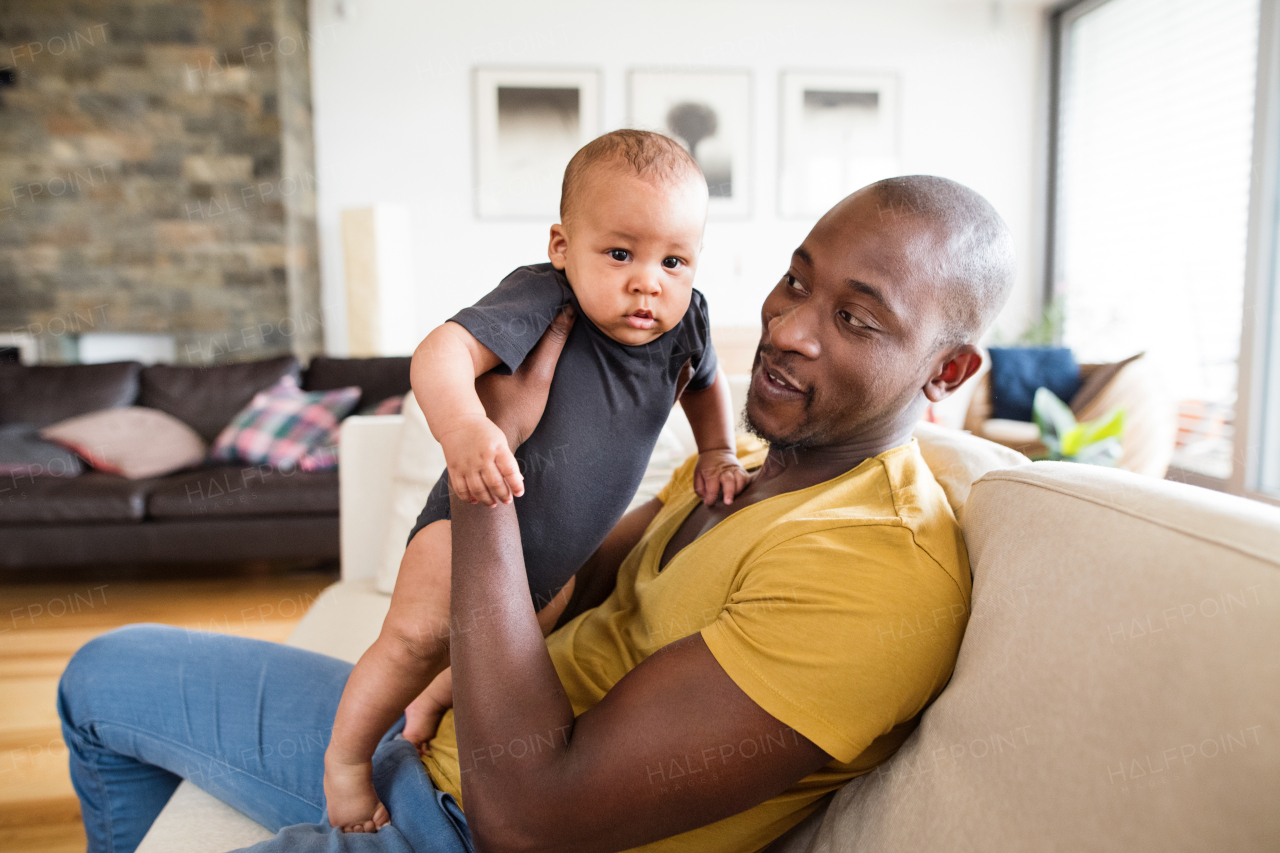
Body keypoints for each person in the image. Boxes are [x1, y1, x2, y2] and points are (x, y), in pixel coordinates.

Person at [58, 174, 1015, 853]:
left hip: (469, 822)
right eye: (797, 279)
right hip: (438, 739)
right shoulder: (751, 469)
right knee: (101, 673)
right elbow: (569, 572)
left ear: (949, 370)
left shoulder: (878, 563)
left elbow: (529, 819)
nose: (787, 327)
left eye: (856, 318)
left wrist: (490, 461)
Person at [322, 129, 751, 833]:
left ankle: (429, 704)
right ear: (561, 246)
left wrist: (718, 449)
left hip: (555, 567)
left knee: (500, 659)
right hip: (469, 529)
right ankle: (344, 759)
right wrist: (465, 428)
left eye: (674, 259)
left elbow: (707, 384)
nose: (649, 280)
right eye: (620, 253)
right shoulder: (545, 298)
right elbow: (439, 353)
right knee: (414, 639)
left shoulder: (688, 318)